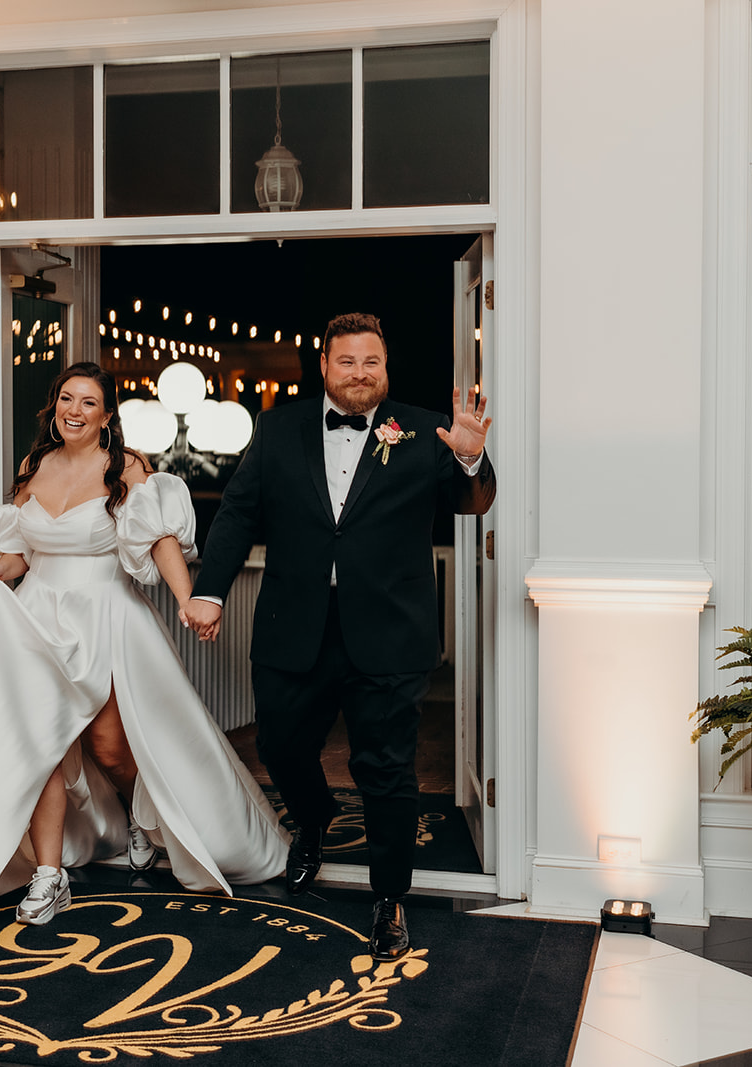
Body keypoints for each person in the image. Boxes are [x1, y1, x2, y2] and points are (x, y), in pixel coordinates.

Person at [0, 362, 287, 924]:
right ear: (54, 406)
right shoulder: (34, 465)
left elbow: (158, 540)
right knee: (39, 748)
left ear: (106, 417)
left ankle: (141, 817)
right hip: (35, 625)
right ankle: (48, 876)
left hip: (104, 617)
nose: (74, 411)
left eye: (88, 403)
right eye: (66, 399)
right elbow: (26, 551)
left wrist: (188, 599)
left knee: (109, 748)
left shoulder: (126, 466)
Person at [182, 312, 495, 961]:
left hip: (390, 630)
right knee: (280, 746)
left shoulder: (423, 429)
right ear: (324, 366)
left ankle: (390, 895)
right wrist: (209, 590)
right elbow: (238, 511)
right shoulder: (278, 428)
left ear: (386, 368)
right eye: (346, 361)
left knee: (385, 767)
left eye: (370, 362)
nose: (359, 373)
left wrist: (469, 457)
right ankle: (314, 817)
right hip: (293, 625)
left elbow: (471, 502)